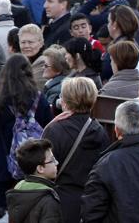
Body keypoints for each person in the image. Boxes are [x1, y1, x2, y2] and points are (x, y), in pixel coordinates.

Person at [0, 54, 53, 223]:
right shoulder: (39, 98)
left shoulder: (0, 99)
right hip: (32, 165)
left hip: (2, 162)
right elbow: (48, 128)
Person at [40, 77, 107, 223]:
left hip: (60, 202)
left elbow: (42, 167)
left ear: (66, 100)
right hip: (91, 202)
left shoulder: (55, 129)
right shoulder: (99, 130)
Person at [5, 138, 61, 223]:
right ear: (40, 168)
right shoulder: (48, 199)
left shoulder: (17, 190)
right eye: (52, 160)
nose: (57, 163)